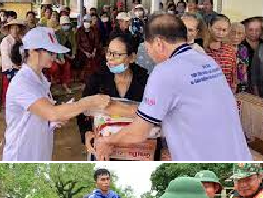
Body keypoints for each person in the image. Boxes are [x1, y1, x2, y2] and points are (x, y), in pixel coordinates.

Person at [95, 13, 251, 161]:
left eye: (147, 47)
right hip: (237, 155)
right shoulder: (207, 61)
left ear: (158, 43)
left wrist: (107, 141)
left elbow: (138, 132)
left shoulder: (165, 71)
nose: (149, 53)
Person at [2, 27, 109, 161]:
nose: (54, 57)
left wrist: (55, 120)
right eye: (50, 52)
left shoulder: (41, 79)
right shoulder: (22, 83)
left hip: (38, 149)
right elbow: (52, 112)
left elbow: (42, 115)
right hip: (22, 153)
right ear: (33, 51)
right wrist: (91, 101)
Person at [77, 34, 150, 149]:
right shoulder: (97, 78)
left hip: (137, 146)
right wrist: (87, 133)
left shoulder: (145, 80)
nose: (110, 58)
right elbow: (82, 110)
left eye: (117, 55)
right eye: (109, 53)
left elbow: (152, 113)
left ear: (131, 58)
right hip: (104, 145)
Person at [206, 15, 237, 89]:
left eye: (224, 30)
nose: (220, 33)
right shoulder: (200, 51)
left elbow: (233, 76)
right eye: (217, 29)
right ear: (209, 27)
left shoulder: (230, 51)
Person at [51, 16, 77, 94]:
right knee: (55, 68)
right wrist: (59, 58)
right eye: (64, 24)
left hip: (67, 55)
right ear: (61, 25)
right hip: (57, 55)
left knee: (67, 66)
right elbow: (57, 47)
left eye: (67, 24)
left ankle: (65, 84)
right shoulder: (57, 34)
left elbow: (74, 45)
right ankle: (55, 84)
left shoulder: (71, 33)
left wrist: (73, 54)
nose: (66, 26)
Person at [242, 17, 263, 87]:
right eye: (250, 30)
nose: (254, 33)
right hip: (244, 84)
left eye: (257, 30)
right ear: (245, 29)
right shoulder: (239, 45)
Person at [75, 16, 100, 81]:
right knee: (83, 60)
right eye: (86, 21)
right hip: (82, 51)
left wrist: (94, 51)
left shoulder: (94, 30)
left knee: (96, 60)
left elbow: (96, 42)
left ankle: (94, 76)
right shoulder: (79, 30)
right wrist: (85, 52)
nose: (87, 23)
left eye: (89, 21)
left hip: (93, 51)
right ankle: (82, 76)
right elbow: (78, 44)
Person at [230, 22, 251, 92]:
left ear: (243, 36)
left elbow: (244, 67)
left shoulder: (244, 49)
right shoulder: (224, 48)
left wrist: (244, 80)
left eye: (239, 33)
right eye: (233, 32)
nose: (236, 36)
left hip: (240, 82)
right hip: (227, 82)